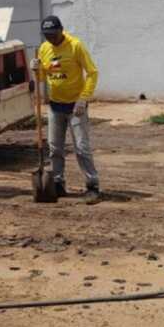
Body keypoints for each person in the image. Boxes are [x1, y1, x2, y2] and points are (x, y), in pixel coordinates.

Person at [30, 15, 100, 204]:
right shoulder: (44, 49)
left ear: (61, 30)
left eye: (53, 34)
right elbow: (45, 77)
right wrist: (37, 70)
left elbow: (93, 72)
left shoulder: (75, 45)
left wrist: (83, 99)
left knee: (81, 147)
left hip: (76, 106)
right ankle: (58, 183)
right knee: (55, 148)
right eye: (47, 35)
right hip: (55, 106)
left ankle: (92, 186)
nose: (50, 39)